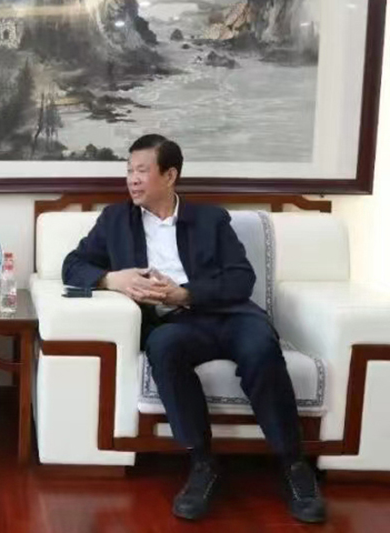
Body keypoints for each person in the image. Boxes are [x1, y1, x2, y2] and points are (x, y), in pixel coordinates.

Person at [62, 134, 326, 523]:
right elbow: (73, 265)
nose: (132, 179)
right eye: (129, 171)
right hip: (176, 324)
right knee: (164, 347)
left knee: (261, 350)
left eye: (142, 171)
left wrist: (184, 293)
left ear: (170, 175)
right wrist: (112, 279)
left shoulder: (210, 219)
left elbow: (241, 279)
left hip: (230, 315)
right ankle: (203, 464)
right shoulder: (116, 219)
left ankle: (293, 465)